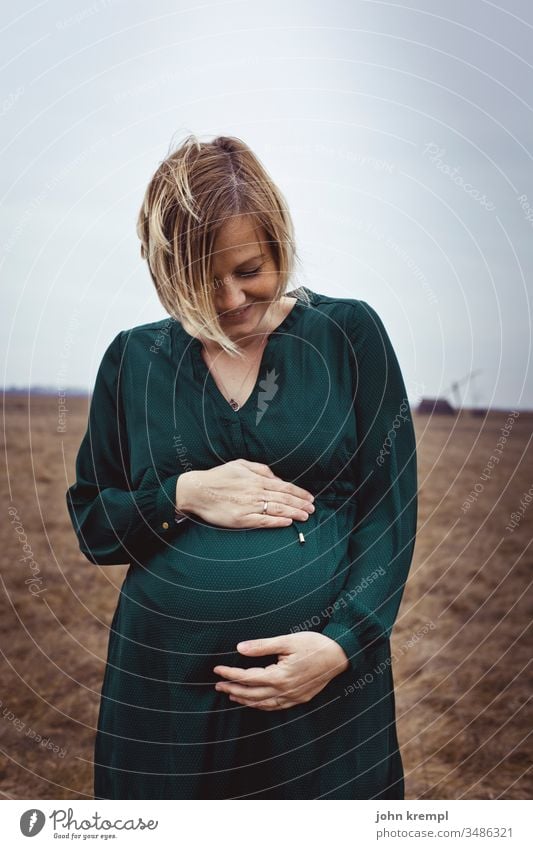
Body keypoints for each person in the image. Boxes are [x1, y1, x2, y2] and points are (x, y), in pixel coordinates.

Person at [66, 134, 418, 800]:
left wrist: (343, 644)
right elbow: (94, 522)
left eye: (249, 269)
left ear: (278, 241)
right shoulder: (131, 360)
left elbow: (388, 510)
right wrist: (182, 491)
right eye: (202, 282)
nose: (229, 299)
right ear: (166, 274)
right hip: (164, 704)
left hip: (321, 699)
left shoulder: (347, 335)